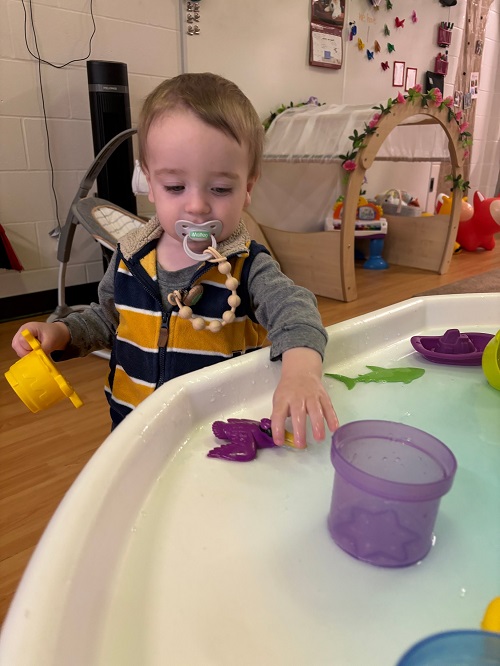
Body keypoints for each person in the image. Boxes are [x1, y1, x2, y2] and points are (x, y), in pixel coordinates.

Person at [12, 72, 338, 447]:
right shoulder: (129, 256)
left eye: (220, 188)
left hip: (214, 430)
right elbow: (107, 318)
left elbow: (295, 309)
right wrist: (61, 334)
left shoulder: (247, 267)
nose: (197, 205)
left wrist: (301, 372)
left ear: (248, 187)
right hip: (132, 424)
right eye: (175, 187)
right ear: (150, 183)